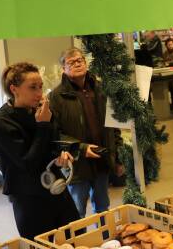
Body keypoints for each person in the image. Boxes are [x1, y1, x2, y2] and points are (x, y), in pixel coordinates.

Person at [0, 62, 80, 239]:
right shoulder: (2, 123)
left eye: (40, 86)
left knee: (76, 236)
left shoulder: (42, 111)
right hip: (28, 197)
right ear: (14, 89)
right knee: (41, 248)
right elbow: (28, 164)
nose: (39, 93)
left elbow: (54, 144)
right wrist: (43, 125)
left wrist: (61, 155)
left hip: (55, 187)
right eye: (32, 87)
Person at [49, 48, 120, 217]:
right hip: (77, 164)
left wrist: (117, 157)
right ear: (63, 69)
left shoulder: (100, 89)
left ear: (86, 63)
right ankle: (79, 235)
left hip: (101, 159)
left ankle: (104, 233)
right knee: (77, 212)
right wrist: (81, 148)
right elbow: (54, 134)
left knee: (103, 208)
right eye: (71, 62)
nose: (77, 64)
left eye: (80, 60)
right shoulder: (56, 97)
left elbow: (113, 124)